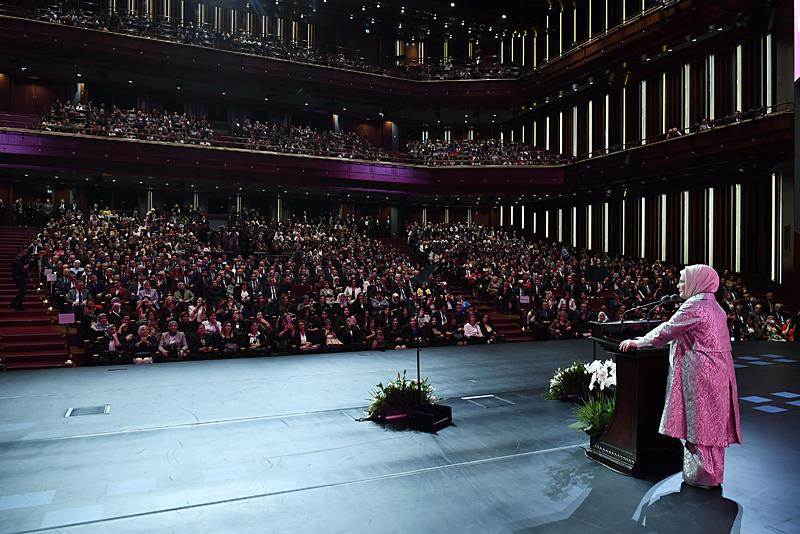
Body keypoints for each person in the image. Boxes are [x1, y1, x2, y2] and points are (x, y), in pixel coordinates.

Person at [620, 264, 741, 488]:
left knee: (700, 424)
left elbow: (667, 329)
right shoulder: (716, 307)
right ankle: (711, 475)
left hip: (702, 375)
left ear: (697, 283)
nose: (678, 285)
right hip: (719, 373)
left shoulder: (695, 306)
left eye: (683, 281)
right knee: (710, 426)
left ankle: (701, 476)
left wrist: (640, 342)